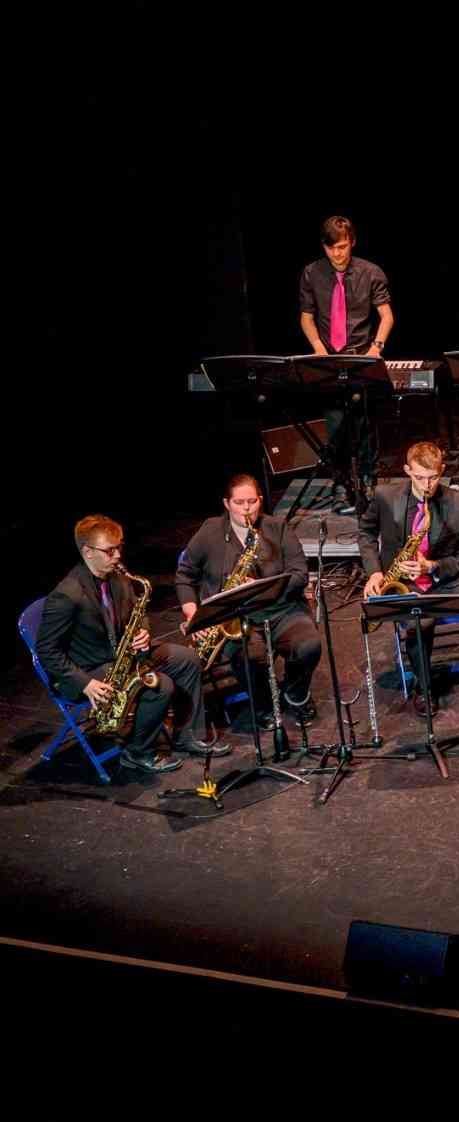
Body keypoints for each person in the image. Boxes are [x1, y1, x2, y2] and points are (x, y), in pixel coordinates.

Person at [37, 516, 215, 773]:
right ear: (87, 552)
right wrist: (85, 683)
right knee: (158, 686)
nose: (118, 555)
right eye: (110, 551)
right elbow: (46, 650)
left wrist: (143, 630)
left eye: (119, 547)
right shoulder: (67, 595)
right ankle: (137, 752)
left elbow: (137, 612)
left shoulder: (117, 576)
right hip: (91, 669)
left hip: (125, 654)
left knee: (187, 659)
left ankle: (188, 735)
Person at [361, 441, 459, 716]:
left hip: (444, 576)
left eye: (433, 477)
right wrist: (375, 571)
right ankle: (424, 685)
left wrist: (431, 566)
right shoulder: (385, 496)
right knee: (422, 618)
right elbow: (366, 533)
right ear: (407, 470)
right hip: (402, 581)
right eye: (419, 477)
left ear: (442, 471)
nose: (427, 485)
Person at [176, 474, 321, 728]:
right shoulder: (210, 531)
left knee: (309, 646)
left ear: (260, 500)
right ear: (226, 503)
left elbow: (299, 574)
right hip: (236, 618)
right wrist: (192, 614)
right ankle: (265, 705)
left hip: (282, 609)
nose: (246, 509)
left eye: (252, 502)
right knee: (249, 657)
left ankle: (295, 695)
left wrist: (264, 587)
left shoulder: (278, 528)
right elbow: (184, 575)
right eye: (239, 502)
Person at [295, 216, 394, 513]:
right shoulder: (312, 273)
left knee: (363, 423)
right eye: (331, 248)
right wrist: (318, 349)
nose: (337, 254)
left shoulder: (370, 272)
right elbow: (306, 317)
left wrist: (376, 348)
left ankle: (367, 480)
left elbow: (386, 315)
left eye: (342, 247)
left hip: (360, 355)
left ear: (352, 241)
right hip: (329, 358)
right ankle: (341, 484)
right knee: (335, 424)